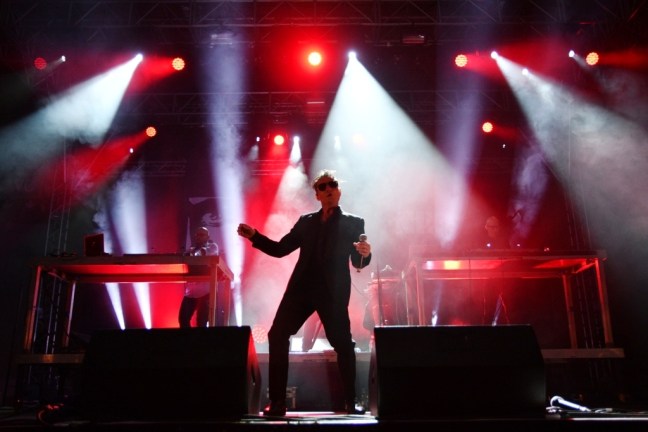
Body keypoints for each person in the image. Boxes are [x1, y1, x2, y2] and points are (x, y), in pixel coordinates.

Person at [237, 169, 371, 416]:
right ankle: (278, 403)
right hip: (302, 289)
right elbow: (280, 249)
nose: (328, 189)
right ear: (317, 194)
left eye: (332, 184)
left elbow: (357, 261)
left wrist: (365, 253)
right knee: (277, 334)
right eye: (323, 186)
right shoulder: (306, 222)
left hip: (332, 291)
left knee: (343, 343)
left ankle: (351, 402)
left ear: (339, 191)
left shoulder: (353, 222)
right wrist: (255, 236)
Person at [178, 226, 219, 328]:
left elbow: (202, 252)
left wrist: (191, 253)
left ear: (207, 237)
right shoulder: (191, 249)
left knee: (201, 321)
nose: (198, 237)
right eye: (197, 235)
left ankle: (200, 338)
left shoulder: (213, 247)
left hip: (206, 292)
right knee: (183, 319)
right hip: (190, 293)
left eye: (201, 235)